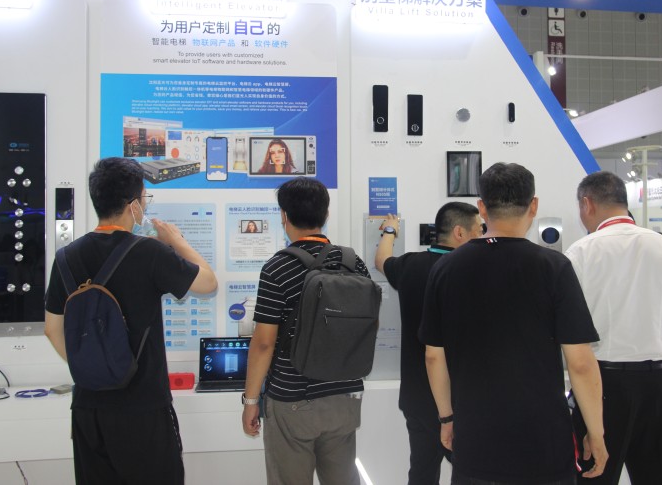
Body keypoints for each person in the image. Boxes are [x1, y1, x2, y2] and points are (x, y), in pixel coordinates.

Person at [420, 162, 608, 484]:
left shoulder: (446, 268)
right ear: (534, 205)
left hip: (475, 439)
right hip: (543, 444)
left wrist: (447, 418)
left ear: (482, 208)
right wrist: (596, 431)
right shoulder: (554, 267)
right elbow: (580, 363)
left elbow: (433, 356)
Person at [44, 157, 218, 485]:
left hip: (88, 410)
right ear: (134, 205)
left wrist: (98, 367)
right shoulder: (149, 252)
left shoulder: (65, 257)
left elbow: (52, 330)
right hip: (142, 407)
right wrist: (176, 240)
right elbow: (208, 283)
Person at [565, 171, 662, 485]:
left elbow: (568, 328)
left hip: (600, 383)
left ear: (587, 204)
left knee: (593, 474)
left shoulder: (581, 252)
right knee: (659, 478)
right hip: (658, 382)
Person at [241, 177, 370, 485]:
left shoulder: (277, 268)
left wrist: (250, 401)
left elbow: (263, 344)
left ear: (284, 215)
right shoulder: (353, 263)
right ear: (325, 214)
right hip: (344, 396)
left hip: (292, 400)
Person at [374, 204, 482, 485]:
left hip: (417, 398)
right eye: (478, 230)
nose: (482, 236)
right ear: (460, 233)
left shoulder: (410, 265)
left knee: (422, 472)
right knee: (472, 473)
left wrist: (390, 230)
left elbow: (381, 259)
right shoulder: (471, 272)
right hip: (457, 399)